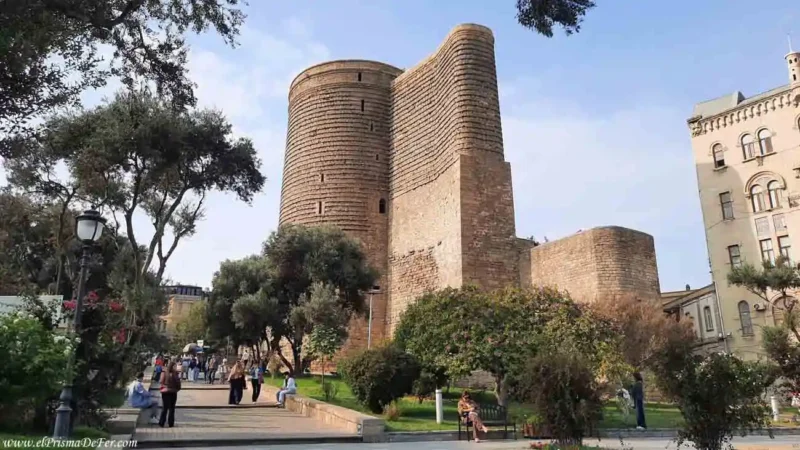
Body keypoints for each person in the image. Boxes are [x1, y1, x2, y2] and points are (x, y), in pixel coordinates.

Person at [159, 360, 181, 428]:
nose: (176, 367)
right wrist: (177, 389)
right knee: (171, 408)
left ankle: (162, 422)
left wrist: (165, 386)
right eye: (175, 366)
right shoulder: (175, 374)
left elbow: (161, 381)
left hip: (165, 392)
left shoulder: (164, 373)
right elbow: (178, 384)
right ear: (172, 367)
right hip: (173, 392)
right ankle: (171, 423)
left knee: (165, 408)